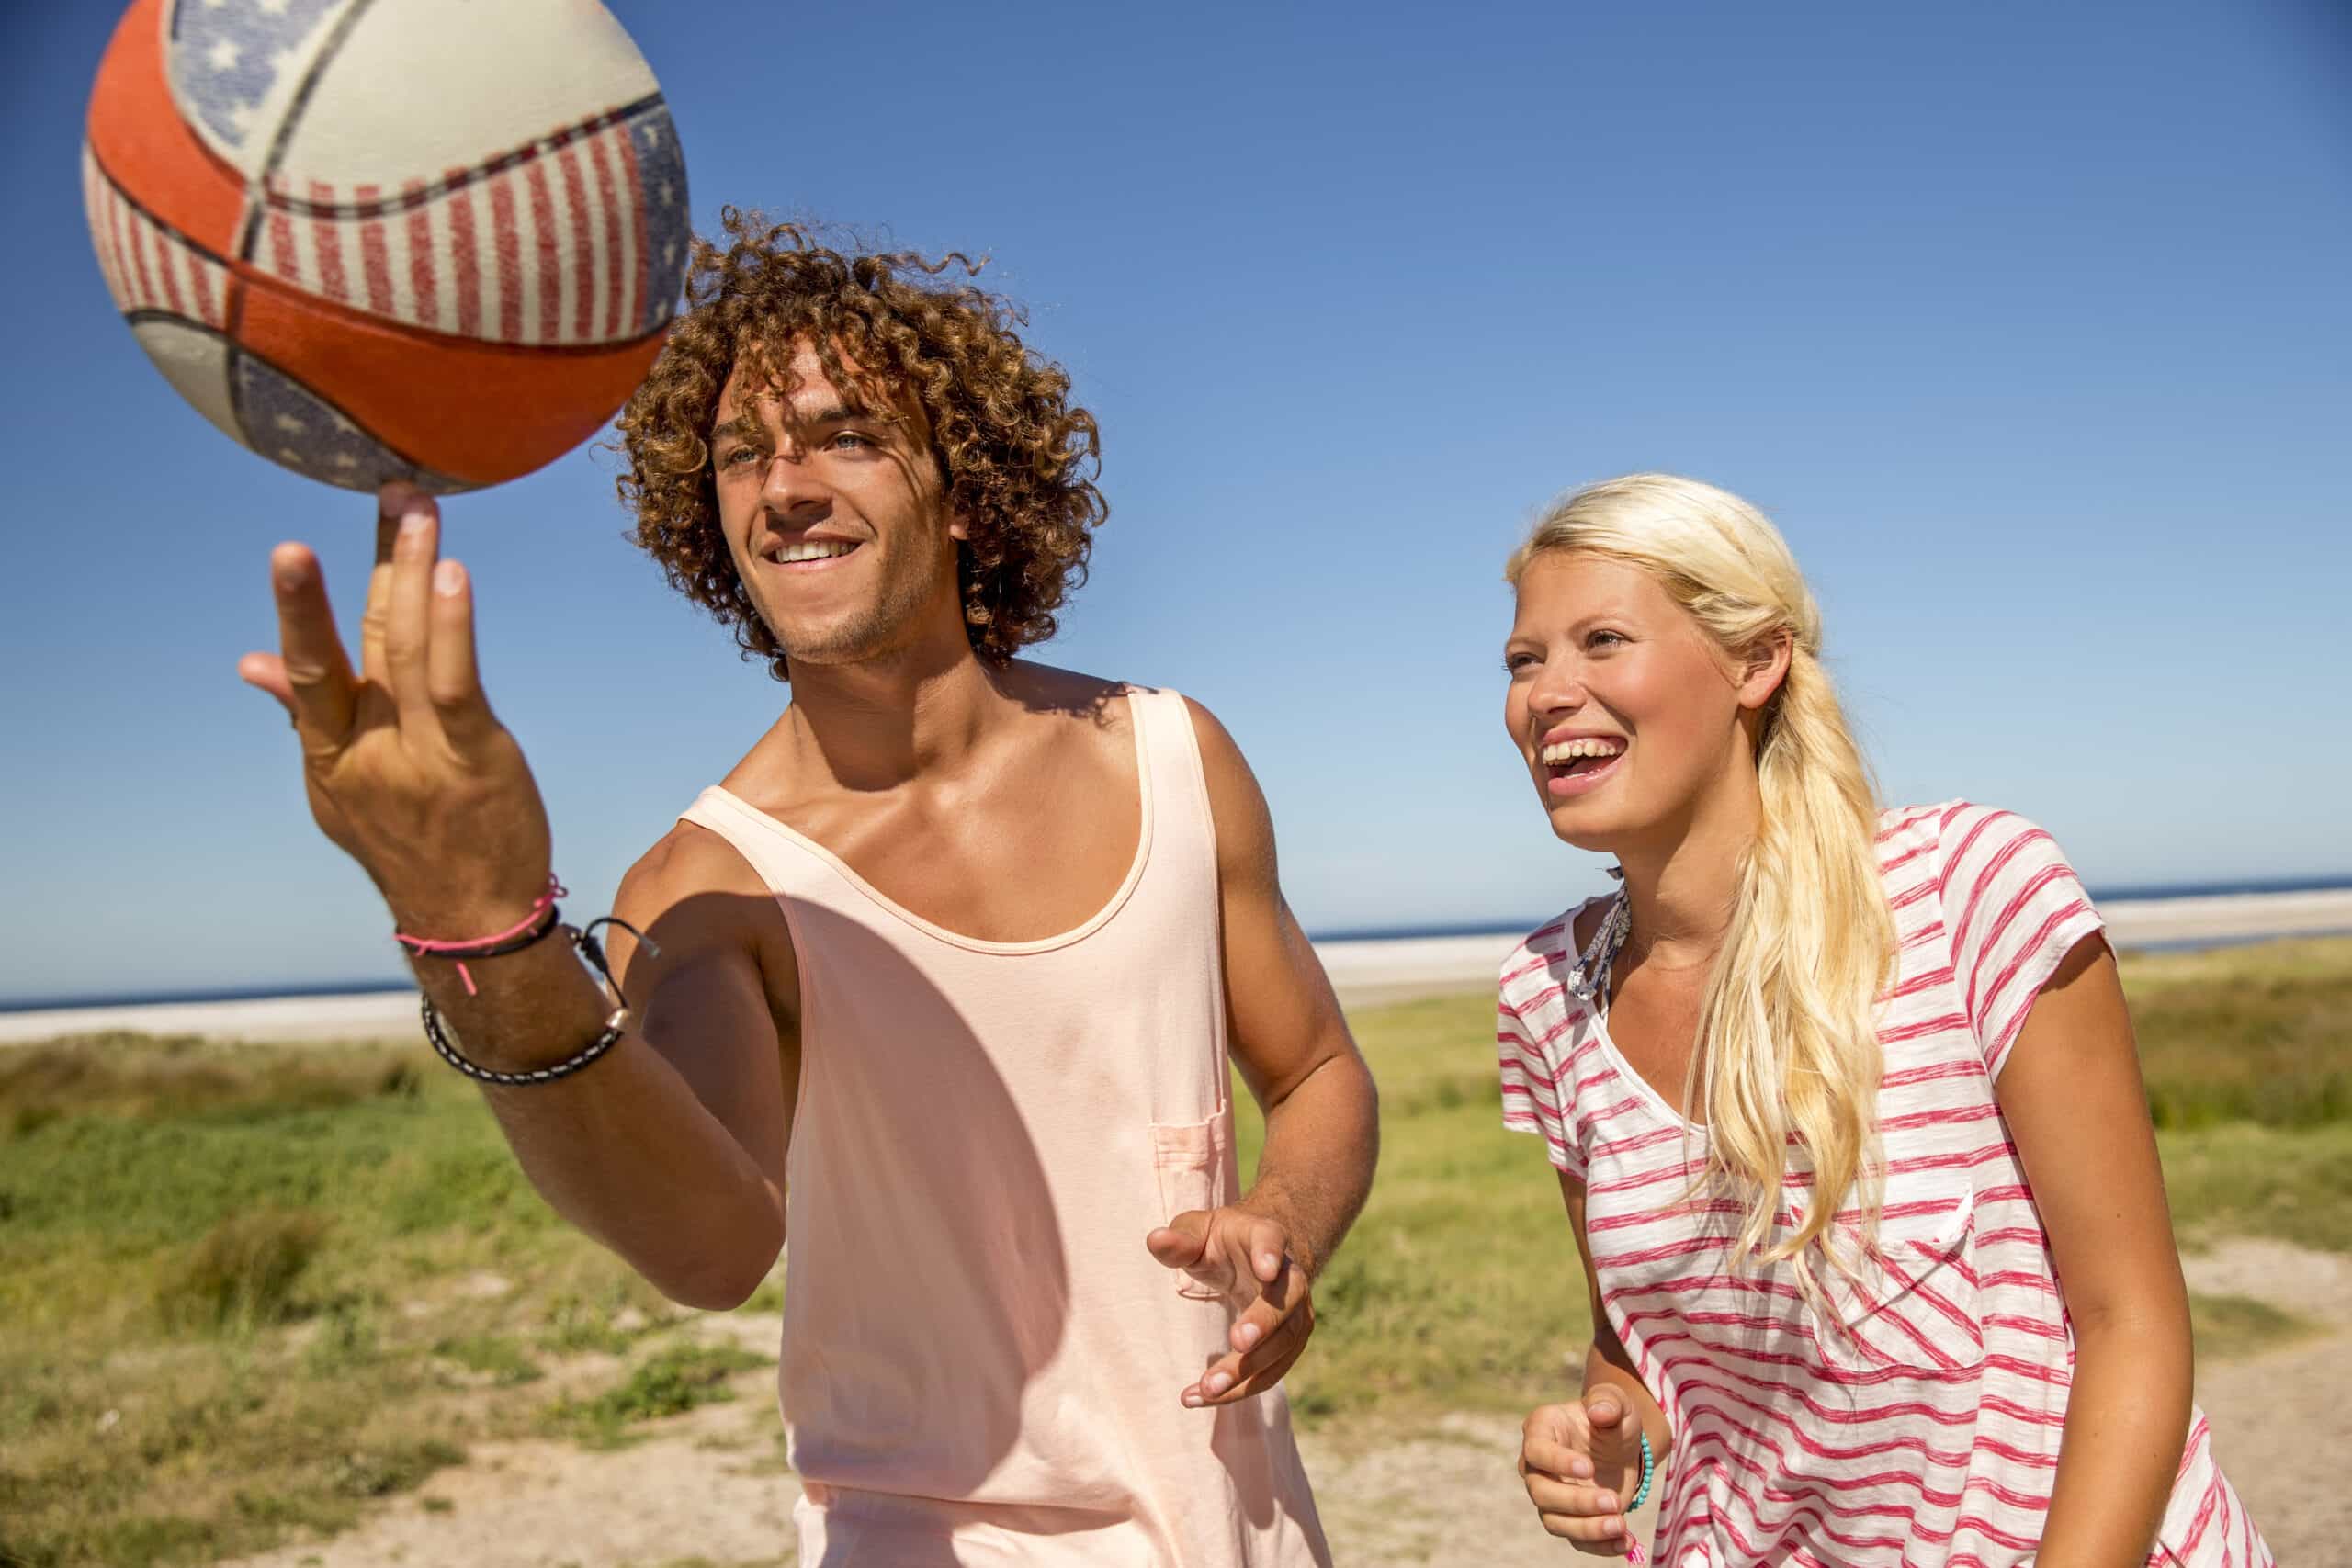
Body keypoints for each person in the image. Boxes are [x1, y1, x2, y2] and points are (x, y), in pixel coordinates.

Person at [238, 215, 1374, 1565]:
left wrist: (1286, 1223)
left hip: (1247, 1523)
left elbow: (1315, 1072)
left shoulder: (1177, 754)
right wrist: (484, 937)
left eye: (845, 434)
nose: (783, 483)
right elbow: (706, 1244)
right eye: (739, 454)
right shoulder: (712, 882)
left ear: (964, 487)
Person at [1492, 474, 2268, 1565]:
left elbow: (2129, 1325)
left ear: (1754, 663)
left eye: (1601, 640)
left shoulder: (1970, 892)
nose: (1546, 694)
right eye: (1525, 661)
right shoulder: (1545, 995)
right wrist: (1616, 1456)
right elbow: (1639, 1354)